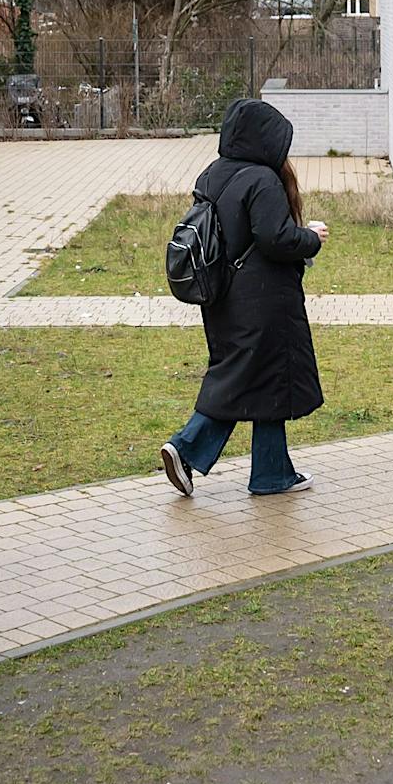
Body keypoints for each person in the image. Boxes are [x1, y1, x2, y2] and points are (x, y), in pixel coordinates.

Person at [159, 98, 327, 498]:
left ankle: (273, 474)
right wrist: (312, 239)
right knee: (249, 379)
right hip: (264, 303)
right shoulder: (262, 180)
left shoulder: (212, 174)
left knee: (261, 381)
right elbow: (276, 238)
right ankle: (185, 448)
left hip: (222, 298)